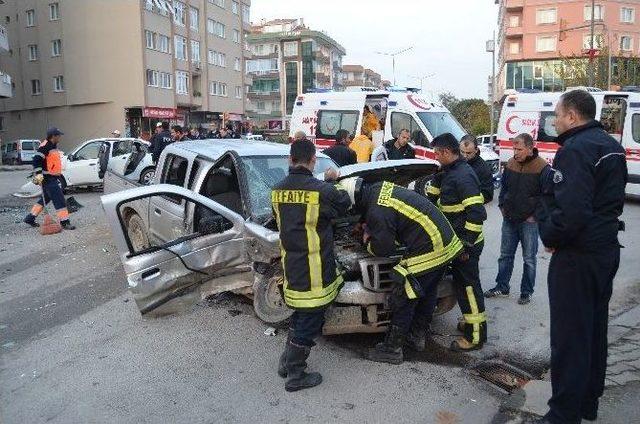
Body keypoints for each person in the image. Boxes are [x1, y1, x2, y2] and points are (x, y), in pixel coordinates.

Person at [535, 90, 627, 424]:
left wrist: (550, 234)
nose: (555, 121)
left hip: (578, 256)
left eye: (557, 115)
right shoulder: (610, 146)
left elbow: (571, 211)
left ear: (572, 115)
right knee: (593, 331)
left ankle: (563, 414)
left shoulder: (575, 149)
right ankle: (587, 403)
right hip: (605, 250)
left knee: (570, 337)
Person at [342, 178, 463, 364]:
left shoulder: (376, 210)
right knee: (428, 292)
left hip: (430, 248)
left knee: (404, 294)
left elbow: (384, 249)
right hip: (446, 245)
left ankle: (392, 349)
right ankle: (417, 337)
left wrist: (366, 240)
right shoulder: (378, 188)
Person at [272, 139, 351, 392]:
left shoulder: (276, 190)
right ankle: (296, 374)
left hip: (291, 266)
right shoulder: (322, 190)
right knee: (309, 321)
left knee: (299, 315)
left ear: (290, 159)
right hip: (315, 269)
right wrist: (332, 181)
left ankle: (286, 363)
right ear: (313, 160)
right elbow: (344, 204)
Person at [426, 133, 487, 352]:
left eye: (436, 153)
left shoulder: (463, 176)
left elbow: (477, 213)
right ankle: (470, 321)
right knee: (463, 286)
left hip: (466, 244)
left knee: (468, 288)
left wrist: (466, 245)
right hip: (457, 243)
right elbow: (433, 201)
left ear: (445, 152)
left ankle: (475, 336)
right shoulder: (449, 172)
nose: (435, 157)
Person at [484, 133, 549, 305]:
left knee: (529, 258)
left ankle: (526, 292)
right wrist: (502, 206)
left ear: (530, 148)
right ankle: (502, 286)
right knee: (505, 255)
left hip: (529, 222)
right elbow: (504, 188)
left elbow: (547, 196)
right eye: (514, 148)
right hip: (509, 219)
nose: (516, 152)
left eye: (519, 149)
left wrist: (535, 216)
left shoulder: (542, 167)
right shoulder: (511, 164)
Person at [23, 128, 76, 230]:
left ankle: (30, 218)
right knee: (59, 199)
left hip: (52, 177)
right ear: (53, 136)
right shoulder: (45, 146)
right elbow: (36, 160)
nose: (60, 137)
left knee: (45, 198)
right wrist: (39, 174)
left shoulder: (52, 146)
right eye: (59, 135)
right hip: (48, 178)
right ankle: (65, 222)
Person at [460, 135, 494, 203]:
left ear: (476, 150)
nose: (464, 156)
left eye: (468, 153)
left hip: (471, 210)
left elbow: (488, 195)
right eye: (462, 152)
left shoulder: (483, 168)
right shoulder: (456, 161)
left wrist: (469, 200)